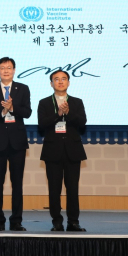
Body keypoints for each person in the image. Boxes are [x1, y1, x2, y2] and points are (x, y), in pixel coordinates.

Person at [0, 57, 31, 232]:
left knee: (17, 184)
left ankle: (16, 221)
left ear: (14, 70)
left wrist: (13, 108)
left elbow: (27, 112)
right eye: (2, 68)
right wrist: (3, 111)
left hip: (17, 143)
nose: (6, 71)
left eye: (9, 68)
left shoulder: (23, 89)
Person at [38, 69, 87, 232]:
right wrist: (58, 114)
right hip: (52, 151)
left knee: (73, 188)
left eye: (63, 79)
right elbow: (42, 124)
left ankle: (73, 222)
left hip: (73, 150)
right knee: (54, 189)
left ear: (68, 82)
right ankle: (56, 222)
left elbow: (82, 122)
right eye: (56, 79)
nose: (60, 82)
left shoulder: (77, 102)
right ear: (51, 83)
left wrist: (68, 113)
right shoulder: (44, 102)